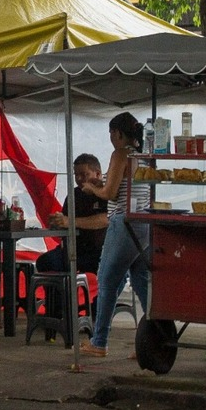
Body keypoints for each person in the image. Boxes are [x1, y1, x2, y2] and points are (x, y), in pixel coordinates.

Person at [80, 112, 151, 358]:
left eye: (111, 133)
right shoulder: (143, 155)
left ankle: (99, 341)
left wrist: (92, 188)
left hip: (124, 223)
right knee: (141, 282)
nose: (110, 138)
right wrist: (101, 185)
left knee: (107, 280)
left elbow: (110, 194)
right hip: (144, 224)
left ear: (118, 133)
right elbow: (123, 186)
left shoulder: (120, 153)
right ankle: (152, 340)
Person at [36, 153, 109, 274]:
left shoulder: (106, 194)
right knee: (45, 262)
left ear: (98, 174)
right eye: (76, 175)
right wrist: (58, 223)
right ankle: (63, 287)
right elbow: (65, 221)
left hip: (99, 251)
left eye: (84, 174)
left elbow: (106, 219)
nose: (79, 179)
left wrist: (70, 222)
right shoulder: (74, 195)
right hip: (72, 249)